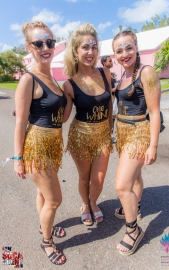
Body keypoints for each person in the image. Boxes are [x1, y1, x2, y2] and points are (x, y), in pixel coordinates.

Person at [14, 21, 67, 265]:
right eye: (39, 43)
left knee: (43, 193)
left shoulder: (53, 78)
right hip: (36, 147)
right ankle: (47, 242)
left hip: (54, 145)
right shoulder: (28, 79)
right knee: (55, 199)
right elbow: (20, 122)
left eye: (50, 42)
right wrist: (18, 159)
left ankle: (45, 226)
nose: (46, 47)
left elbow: (61, 117)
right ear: (30, 47)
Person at [112, 30, 161, 255]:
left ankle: (133, 231)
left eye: (128, 47)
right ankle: (135, 207)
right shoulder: (122, 75)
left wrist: (153, 146)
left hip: (138, 132)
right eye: (119, 50)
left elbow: (154, 111)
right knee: (135, 177)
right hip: (122, 132)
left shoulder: (146, 72)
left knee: (122, 185)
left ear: (137, 47)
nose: (125, 53)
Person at [63, 23, 113, 225]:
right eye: (85, 47)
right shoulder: (69, 84)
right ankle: (86, 204)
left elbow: (110, 102)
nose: (90, 51)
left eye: (93, 47)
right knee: (84, 177)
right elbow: (64, 116)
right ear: (75, 51)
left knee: (98, 180)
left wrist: (111, 128)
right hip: (80, 136)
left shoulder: (105, 74)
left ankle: (93, 201)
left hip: (102, 134)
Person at [101, 55, 118, 143]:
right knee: (107, 118)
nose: (111, 62)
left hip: (114, 99)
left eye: (111, 60)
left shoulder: (111, 74)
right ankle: (106, 136)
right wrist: (115, 89)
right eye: (109, 61)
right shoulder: (102, 74)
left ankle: (111, 135)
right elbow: (104, 88)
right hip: (107, 99)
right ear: (104, 63)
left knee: (113, 118)